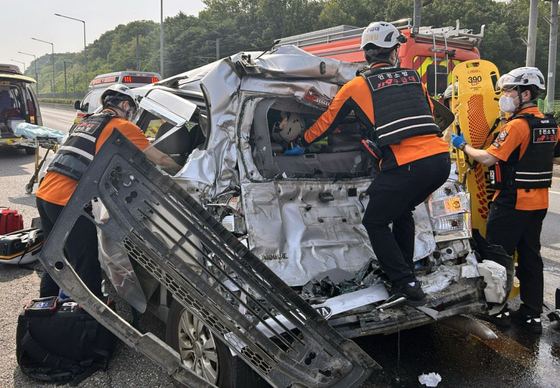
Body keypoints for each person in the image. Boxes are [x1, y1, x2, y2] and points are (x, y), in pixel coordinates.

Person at [285, 21, 451, 305]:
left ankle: (406, 284)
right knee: (401, 212)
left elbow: (327, 122)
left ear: (367, 54)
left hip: (407, 164)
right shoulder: (413, 77)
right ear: (392, 52)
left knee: (374, 221)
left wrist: (301, 144)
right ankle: (407, 272)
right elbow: (431, 113)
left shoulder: (356, 86)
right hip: (439, 160)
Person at [36, 84, 181, 298]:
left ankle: (44, 307)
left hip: (45, 195)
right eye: (131, 111)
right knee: (86, 264)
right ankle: (94, 319)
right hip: (67, 202)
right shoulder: (122, 125)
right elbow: (160, 159)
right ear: (124, 105)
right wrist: (182, 169)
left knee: (55, 257)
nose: (131, 115)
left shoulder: (86, 122)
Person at [452, 67, 560, 334]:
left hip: (511, 202)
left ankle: (497, 312)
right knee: (530, 256)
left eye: (510, 91)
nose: (505, 96)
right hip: (539, 203)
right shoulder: (549, 125)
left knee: (496, 255)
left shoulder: (516, 126)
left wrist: (463, 145)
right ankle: (532, 314)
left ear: (525, 93)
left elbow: (489, 158)